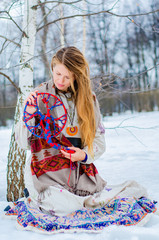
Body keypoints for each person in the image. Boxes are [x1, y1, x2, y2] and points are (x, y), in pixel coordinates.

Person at [12, 46, 157, 232]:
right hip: (44, 174)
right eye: (57, 74)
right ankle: (58, 199)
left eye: (67, 76)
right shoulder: (38, 97)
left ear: (77, 76)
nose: (60, 80)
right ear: (52, 68)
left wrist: (83, 155)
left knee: (132, 191)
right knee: (66, 206)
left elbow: (99, 143)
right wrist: (29, 114)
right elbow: (23, 143)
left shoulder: (90, 100)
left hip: (78, 173)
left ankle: (87, 200)